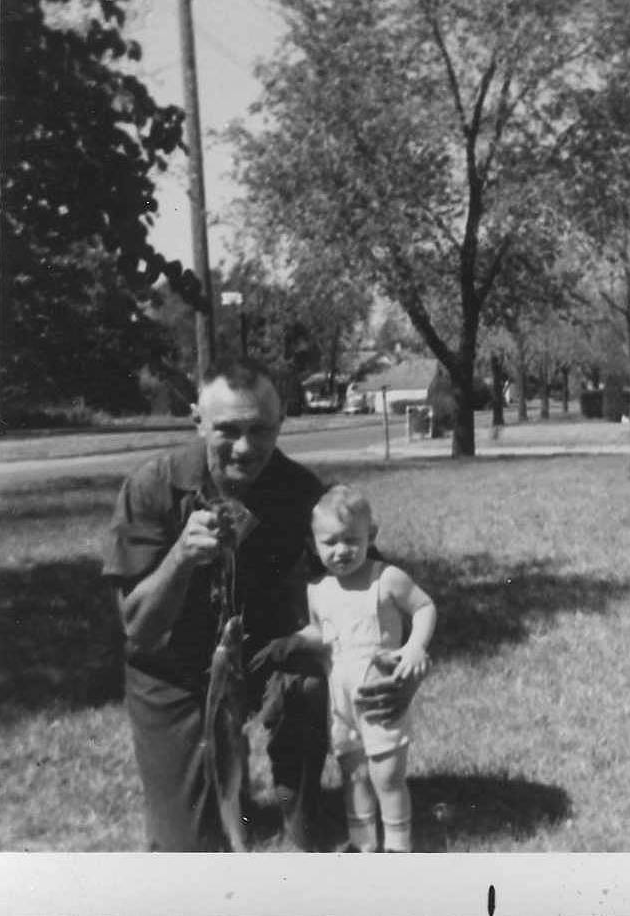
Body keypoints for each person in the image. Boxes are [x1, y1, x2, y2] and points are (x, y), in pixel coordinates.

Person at [102, 358, 416, 852]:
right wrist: (180, 556)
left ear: (280, 422)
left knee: (307, 680)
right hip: (173, 673)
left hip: (263, 657)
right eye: (228, 430)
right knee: (188, 847)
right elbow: (138, 627)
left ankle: (301, 814)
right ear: (198, 421)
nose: (246, 447)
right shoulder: (153, 487)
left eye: (260, 430)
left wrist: (404, 665)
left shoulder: (300, 491)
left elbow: (376, 590)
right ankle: (220, 783)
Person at [256, 484, 436, 853]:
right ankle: (362, 842)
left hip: (379, 693)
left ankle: (397, 845)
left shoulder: (385, 578)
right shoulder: (319, 589)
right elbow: (323, 632)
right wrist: (293, 641)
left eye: (352, 540)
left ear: (372, 535)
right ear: (313, 544)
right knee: (354, 774)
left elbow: (424, 607)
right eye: (330, 542)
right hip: (340, 701)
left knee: (386, 775)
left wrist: (414, 646)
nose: (341, 550)